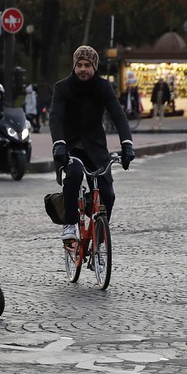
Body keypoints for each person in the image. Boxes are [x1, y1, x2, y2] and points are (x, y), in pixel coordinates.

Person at [50, 45, 134, 243]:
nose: (83, 69)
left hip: (96, 149)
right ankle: (70, 224)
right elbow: (56, 117)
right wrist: (59, 144)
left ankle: (99, 238)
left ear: (95, 67)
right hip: (69, 148)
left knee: (108, 194)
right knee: (74, 176)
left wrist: (127, 144)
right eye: (79, 65)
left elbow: (118, 115)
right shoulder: (62, 87)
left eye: (87, 65)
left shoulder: (103, 87)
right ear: (74, 66)